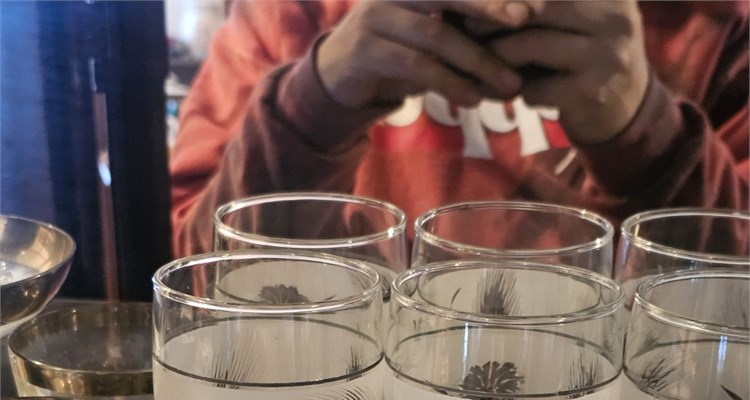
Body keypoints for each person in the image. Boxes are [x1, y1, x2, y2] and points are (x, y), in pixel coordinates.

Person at [170, 0, 750, 258]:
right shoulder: (290, 12)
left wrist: (645, 133)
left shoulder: (717, 28)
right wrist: (316, 103)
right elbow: (186, 279)